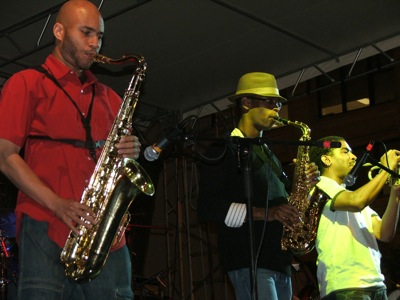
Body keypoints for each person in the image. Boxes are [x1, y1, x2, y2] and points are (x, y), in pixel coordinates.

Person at [0, 0, 141, 299]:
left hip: (106, 239)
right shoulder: (26, 83)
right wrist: (56, 203)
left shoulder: (111, 98)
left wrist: (131, 150)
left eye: (99, 36)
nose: (94, 43)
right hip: (45, 228)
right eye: (86, 32)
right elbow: (5, 155)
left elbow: (119, 167)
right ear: (59, 31)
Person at [197, 72, 320, 300]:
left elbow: (285, 204)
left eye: (278, 104)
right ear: (246, 103)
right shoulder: (223, 149)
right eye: (270, 102)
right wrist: (267, 213)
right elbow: (208, 206)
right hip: (249, 260)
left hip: (280, 262)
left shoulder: (270, 156)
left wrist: (307, 187)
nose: (277, 109)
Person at [309, 136, 400, 299]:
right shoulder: (320, 187)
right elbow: (357, 202)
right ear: (326, 159)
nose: (354, 157)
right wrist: (386, 169)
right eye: (345, 152)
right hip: (346, 285)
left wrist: (396, 190)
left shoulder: (350, 195)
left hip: (376, 284)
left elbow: (385, 233)